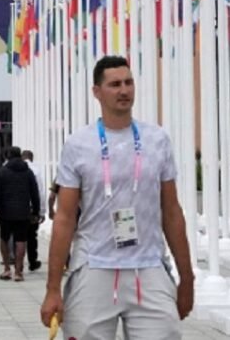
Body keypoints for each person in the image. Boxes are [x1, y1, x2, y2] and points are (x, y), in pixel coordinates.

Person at [40, 55, 194, 339]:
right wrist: (52, 289)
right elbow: (64, 218)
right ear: (97, 92)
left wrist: (187, 278)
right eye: (114, 84)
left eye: (128, 82)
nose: (124, 90)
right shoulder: (78, 144)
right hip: (94, 265)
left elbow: (171, 211)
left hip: (148, 266)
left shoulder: (157, 140)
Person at [0, 146, 40, 282]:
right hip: (23, 212)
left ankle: (7, 269)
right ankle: (19, 272)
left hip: (6, 213)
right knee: (21, 241)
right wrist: (36, 212)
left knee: (4, 238)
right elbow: (35, 193)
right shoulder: (28, 172)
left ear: (7, 156)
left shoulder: (2, 172)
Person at [20, 149, 46, 272]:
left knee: (19, 236)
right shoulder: (36, 170)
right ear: (32, 158)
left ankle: (17, 263)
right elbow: (40, 191)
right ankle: (32, 261)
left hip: (18, 208)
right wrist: (41, 211)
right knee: (31, 236)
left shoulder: (16, 169)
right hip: (31, 209)